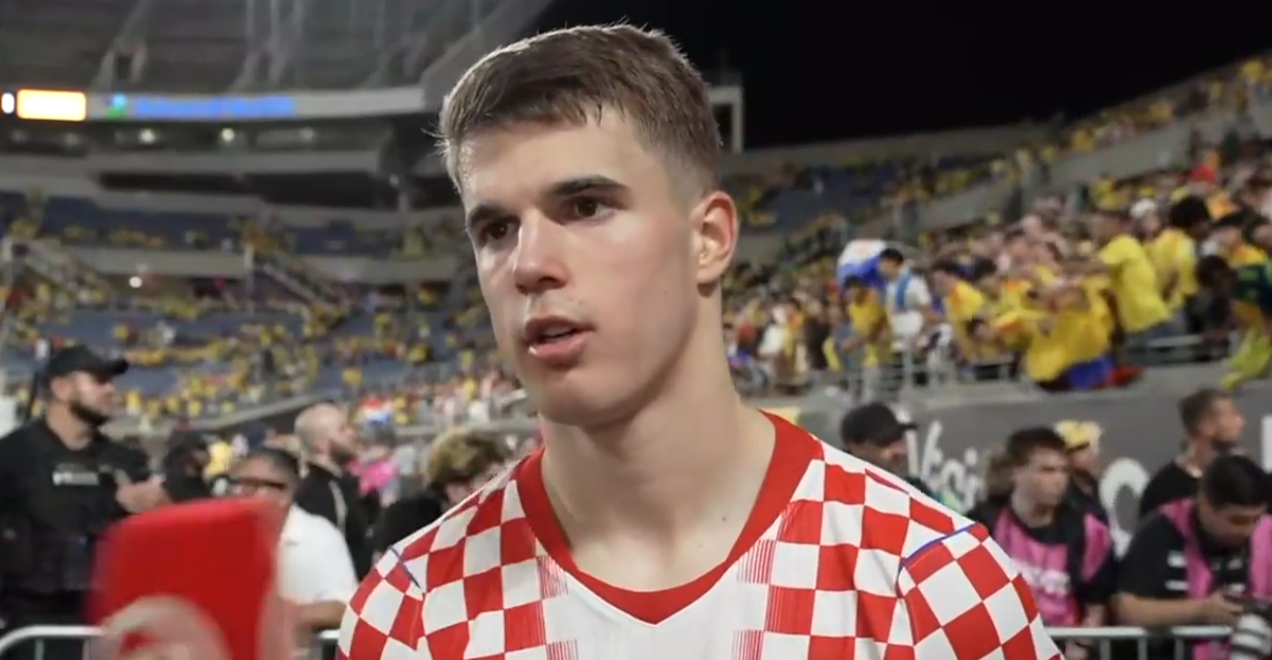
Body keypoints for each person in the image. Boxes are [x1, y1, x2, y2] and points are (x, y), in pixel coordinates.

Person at [339, 24, 1059, 660]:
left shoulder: (927, 584)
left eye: (586, 207)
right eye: (497, 229)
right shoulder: (412, 612)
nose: (528, 264)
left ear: (708, 239)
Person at [0, 346, 165, 660]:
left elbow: (164, 526)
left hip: (111, 626)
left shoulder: (125, 460)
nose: (111, 390)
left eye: (111, 381)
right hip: (31, 628)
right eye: (99, 380)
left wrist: (156, 505)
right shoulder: (12, 456)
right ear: (61, 388)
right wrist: (113, 504)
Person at [966, 428, 1116, 648]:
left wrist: (1081, 647)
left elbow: (1096, 605)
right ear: (1016, 472)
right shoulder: (981, 524)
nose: (1058, 480)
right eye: (1047, 470)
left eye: (1064, 471)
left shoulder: (1088, 530)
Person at [1114, 455, 1272, 660]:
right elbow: (1126, 609)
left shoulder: (1267, 533)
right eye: (1237, 520)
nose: (1248, 529)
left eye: (1256, 519)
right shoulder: (1161, 529)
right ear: (1204, 503)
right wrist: (1201, 611)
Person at [231, 446, 357, 648]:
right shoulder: (226, 533)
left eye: (252, 485)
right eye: (237, 484)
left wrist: (286, 615)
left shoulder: (317, 535)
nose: (240, 493)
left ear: (286, 492)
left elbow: (344, 607)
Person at [370, 426, 512, 555]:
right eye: (491, 478)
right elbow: (381, 571)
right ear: (456, 488)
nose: (503, 485)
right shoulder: (403, 520)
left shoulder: (504, 522)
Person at [1138, 387, 1245, 520]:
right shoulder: (1164, 490)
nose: (1241, 422)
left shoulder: (1243, 480)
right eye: (1232, 415)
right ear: (1205, 425)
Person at [293, 402, 371, 577]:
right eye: (342, 429)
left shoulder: (338, 486)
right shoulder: (321, 492)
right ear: (320, 444)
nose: (352, 434)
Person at [837, 402, 939, 499]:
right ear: (857, 448)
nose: (899, 452)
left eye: (900, 440)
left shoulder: (918, 492)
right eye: (886, 442)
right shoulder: (838, 498)